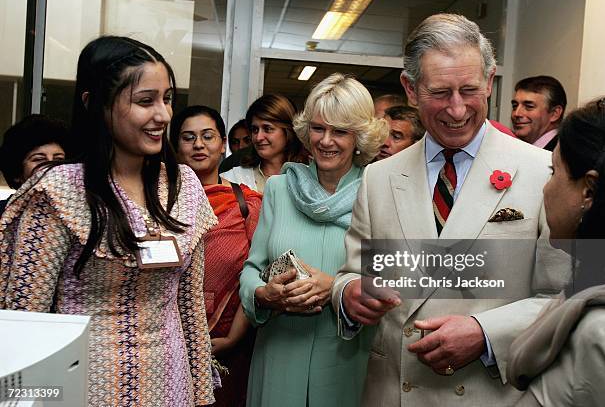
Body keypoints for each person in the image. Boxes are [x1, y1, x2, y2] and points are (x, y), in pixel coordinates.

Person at [332, 13, 569, 406]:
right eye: (440, 93)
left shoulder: (542, 171)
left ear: (490, 82)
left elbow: (566, 295)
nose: (457, 110)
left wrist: (486, 333)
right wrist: (348, 294)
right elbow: (354, 273)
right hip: (393, 393)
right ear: (410, 88)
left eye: (469, 90)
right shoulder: (379, 177)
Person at [0, 36, 216, 406]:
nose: (163, 115)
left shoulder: (185, 186)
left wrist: (201, 394)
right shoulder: (58, 191)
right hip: (81, 387)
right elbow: (24, 316)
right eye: (145, 101)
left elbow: (190, 307)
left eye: (167, 99)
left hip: (170, 383)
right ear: (95, 104)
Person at [239, 73, 388, 407]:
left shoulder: (379, 193)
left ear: (360, 137)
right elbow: (251, 269)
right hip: (278, 355)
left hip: (348, 359)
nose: (326, 140)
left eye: (340, 131)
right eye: (319, 128)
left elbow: (392, 280)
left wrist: (337, 287)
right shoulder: (279, 188)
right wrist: (264, 294)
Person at [507, 95, 605, 406]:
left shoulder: (601, 334)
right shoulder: (586, 290)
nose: (546, 188)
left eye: (554, 173)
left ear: (589, 191)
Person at [170, 105, 262, 407]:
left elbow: (259, 272)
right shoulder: (159, 202)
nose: (198, 144)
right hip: (169, 340)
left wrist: (233, 338)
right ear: (175, 146)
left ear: (223, 144)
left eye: (207, 136)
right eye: (188, 137)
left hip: (232, 341)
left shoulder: (246, 202)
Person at [220, 94, 308, 193]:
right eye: (255, 130)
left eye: (267, 129)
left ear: (288, 131)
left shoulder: (309, 178)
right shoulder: (232, 179)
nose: (258, 137)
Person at [0, 114, 68, 214]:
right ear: (17, 173)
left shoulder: (81, 215)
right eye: (39, 159)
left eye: (58, 159)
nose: (51, 166)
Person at [511, 75, 567, 151]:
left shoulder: (564, 154)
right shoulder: (515, 148)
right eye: (515, 106)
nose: (517, 113)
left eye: (529, 106)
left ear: (555, 113)